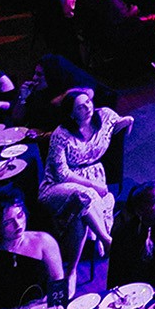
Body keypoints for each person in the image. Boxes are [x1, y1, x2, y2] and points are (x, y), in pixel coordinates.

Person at [39, 90, 132, 266]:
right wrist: (93, 186)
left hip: (95, 176)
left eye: (88, 102)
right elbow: (61, 174)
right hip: (58, 185)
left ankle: (72, 270)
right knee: (86, 195)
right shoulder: (61, 134)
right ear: (72, 114)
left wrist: (128, 122)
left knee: (81, 216)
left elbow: (120, 129)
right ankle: (106, 239)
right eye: (80, 107)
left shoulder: (104, 116)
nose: (88, 107)